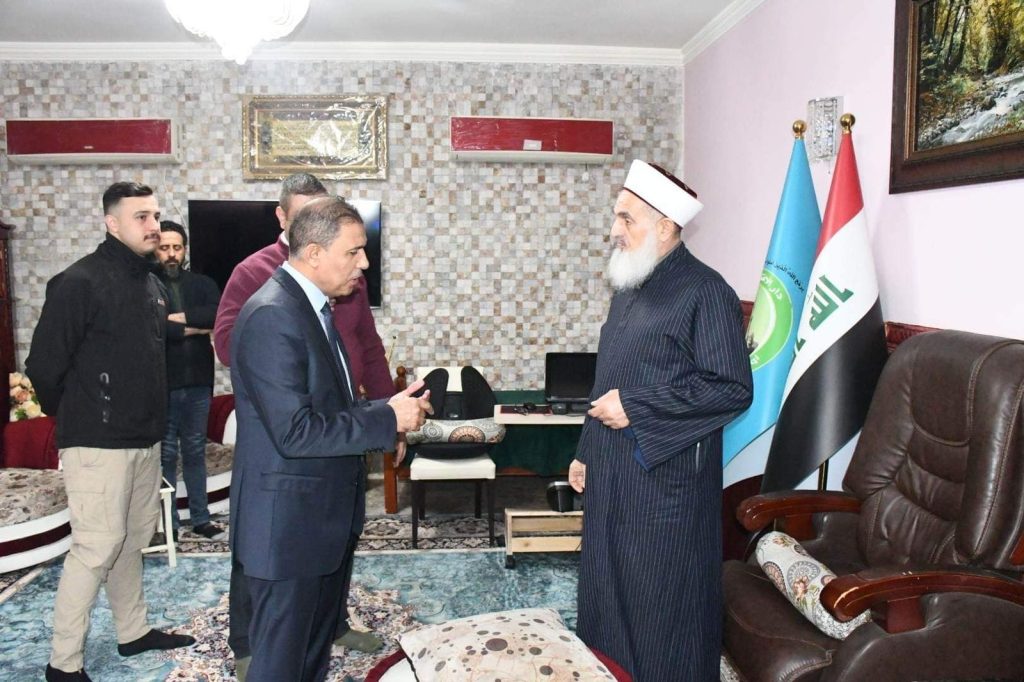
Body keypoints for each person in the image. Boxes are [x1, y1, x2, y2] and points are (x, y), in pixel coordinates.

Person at [229, 195, 431, 681]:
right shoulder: (272, 315)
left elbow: (330, 408)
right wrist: (387, 421)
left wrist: (387, 409)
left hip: (317, 521)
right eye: (354, 252)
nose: (364, 264)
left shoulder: (313, 308)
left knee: (311, 656)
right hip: (288, 527)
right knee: (281, 664)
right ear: (314, 253)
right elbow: (296, 432)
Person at [568, 161, 753, 681]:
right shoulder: (629, 284)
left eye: (626, 219)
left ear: (666, 225)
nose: (614, 230)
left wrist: (637, 406)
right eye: (616, 217)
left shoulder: (707, 291)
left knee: (660, 604)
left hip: (665, 485)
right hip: (612, 469)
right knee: (607, 589)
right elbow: (609, 376)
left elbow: (731, 388)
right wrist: (585, 450)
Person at [26, 182, 196, 682]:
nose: (153, 225)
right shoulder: (78, 281)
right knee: (96, 547)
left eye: (156, 215)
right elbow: (43, 367)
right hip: (97, 442)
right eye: (141, 217)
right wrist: (78, 416)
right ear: (112, 223)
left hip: (144, 438)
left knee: (131, 539)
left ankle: (133, 632)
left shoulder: (150, 283)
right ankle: (63, 664)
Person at [155, 220, 225, 541]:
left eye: (176, 247)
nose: (171, 254)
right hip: (163, 386)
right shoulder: (147, 284)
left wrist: (170, 322)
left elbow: (216, 316)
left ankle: (201, 519)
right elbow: (148, 324)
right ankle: (169, 524)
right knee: (167, 455)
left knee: (196, 451)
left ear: (184, 250)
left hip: (198, 383)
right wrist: (195, 326)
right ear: (156, 250)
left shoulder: (202, 283)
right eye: (164, 248)